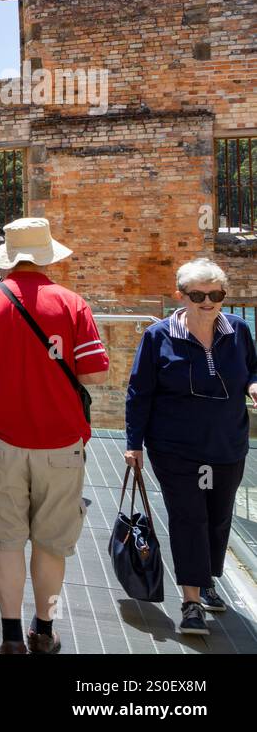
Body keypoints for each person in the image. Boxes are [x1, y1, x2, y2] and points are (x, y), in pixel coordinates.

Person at [0, 218, 109, 654]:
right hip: (61, 443)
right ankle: (43, 630)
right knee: (51, 544)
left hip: (0, 442)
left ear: (8, 256)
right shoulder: (72, 303)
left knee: (5, 542)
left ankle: (8, 638)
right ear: (46, 256)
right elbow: (94, 373)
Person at [125, 258, 257, 636]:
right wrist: (134, 443)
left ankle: (207, 579)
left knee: (218, 518)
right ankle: (191, 601)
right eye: (198, 295)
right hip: (174, 446)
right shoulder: (159, 336)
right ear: (180, 295)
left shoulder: (240, 330)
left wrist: (252, 385)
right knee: (189, 518)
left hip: (227, 443)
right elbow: (140, 392)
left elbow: (253, 368)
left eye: (216, 294)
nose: (208, 302)